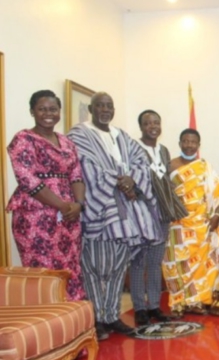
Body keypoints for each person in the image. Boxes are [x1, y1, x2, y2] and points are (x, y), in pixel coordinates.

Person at [68, 92, 162, 341]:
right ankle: (97, 319)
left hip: (127, 215)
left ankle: (111, 315)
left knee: (119, 266)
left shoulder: (121, 135)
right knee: (95, 267)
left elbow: (141, 161)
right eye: (100, 106)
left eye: (109, 106)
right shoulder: (79, 134)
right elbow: (86, 167)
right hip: (101, 212)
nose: (105, 110)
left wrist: (132, 180)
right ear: (91, 109)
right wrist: (120, 180)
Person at [7, 90, 85, 301]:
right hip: (36, 214)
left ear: (59, 112)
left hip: (69, 215)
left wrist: (78, 204)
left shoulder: (67, 142)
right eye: (42, 109)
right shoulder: (23, 139)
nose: (48, 113)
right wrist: (61, 205)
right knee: (42, 266)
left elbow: (76, 175)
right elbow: (27, 179)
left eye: (53, 109)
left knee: (70, 265)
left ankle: (71, 314)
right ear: (32, 111)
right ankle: (47, 313)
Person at [129, 110, 187, 326]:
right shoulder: (133, 148)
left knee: (155, 261)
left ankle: (154, 305)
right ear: (141, 127)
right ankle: (139, 308)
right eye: (147, 123)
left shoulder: (163, 150)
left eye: (156, 122)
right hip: (142, 212)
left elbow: (166, 180)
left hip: (162, 212)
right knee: (139, 261)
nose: (152, 126)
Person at [161, 128, 219, 316]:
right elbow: (164, 194)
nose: (189, 145)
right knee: (176, 263)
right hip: (177, 223)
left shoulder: (205, 167)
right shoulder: (170, 166)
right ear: (180, 143)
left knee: (201, 264)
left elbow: (218, 193)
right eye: (185, 141)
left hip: (202, 224)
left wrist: (217, 215)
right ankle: (178, 303)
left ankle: (197, 301)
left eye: (193, 142)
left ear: (198, 145)